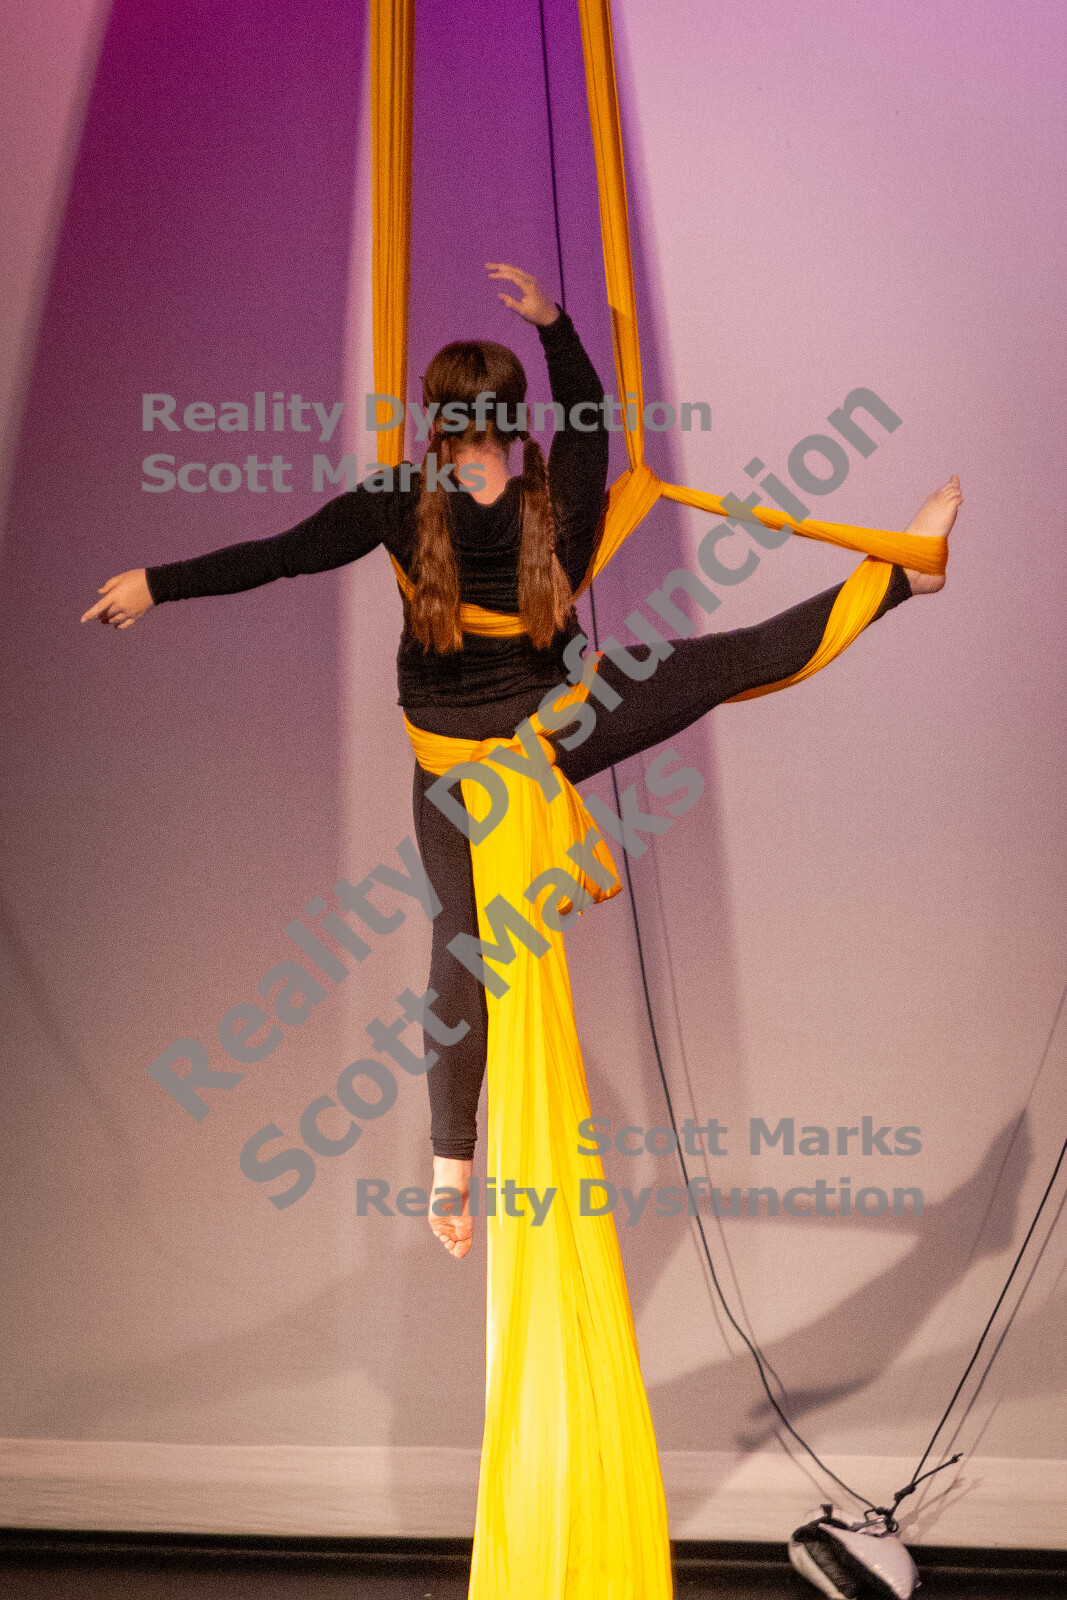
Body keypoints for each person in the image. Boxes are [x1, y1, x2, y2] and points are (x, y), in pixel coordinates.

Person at [82, 263, 961, 1260]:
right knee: (728, 660)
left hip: (454, 769)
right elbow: (588, 418)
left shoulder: (396, 499)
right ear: (513, 421)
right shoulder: (557, 496)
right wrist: (555, 324)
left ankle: (449, 1171)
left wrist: (155, 583)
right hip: (554, 733)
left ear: (433, 422)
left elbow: (276, 555)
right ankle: (901, 580)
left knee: (458, 947)